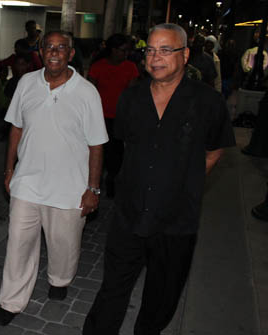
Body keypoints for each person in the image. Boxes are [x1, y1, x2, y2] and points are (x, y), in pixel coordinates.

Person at [83, 24, 235, 335]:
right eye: (150, 50)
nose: (155, 57)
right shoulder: (131, 97)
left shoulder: (207, 102)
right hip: (129, 214)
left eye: (166, 50)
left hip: (176, 220)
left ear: (185, 54)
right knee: (112, 289)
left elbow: (215, 149)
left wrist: (183, 181)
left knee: (161, 297)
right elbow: (126, 146)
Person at [0, 31, 108, 326]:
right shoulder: (27, 83)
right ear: (40, 52)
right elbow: (16, 127)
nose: (54, 52)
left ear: (70, 54)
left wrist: (93, 188)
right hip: (28, 182)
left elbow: (96, 144)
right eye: (49, 47)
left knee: (63, 244)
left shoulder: (86, 92)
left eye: (61, 48)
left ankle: (59, 279)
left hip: (70, 187)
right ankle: (12, 301)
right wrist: (9, 169)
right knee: (18, 243)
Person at [88, 33, 139, 198]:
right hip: (99, 119)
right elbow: (88, 93)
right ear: (112, 50)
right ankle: (92, 185)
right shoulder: (98, 67)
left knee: (115, 158)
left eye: (127, 51)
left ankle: (112, 188)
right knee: (96, 153)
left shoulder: (130, 68)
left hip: (119, 119)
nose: (125, 55)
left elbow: (132, 95)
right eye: (122, 50)